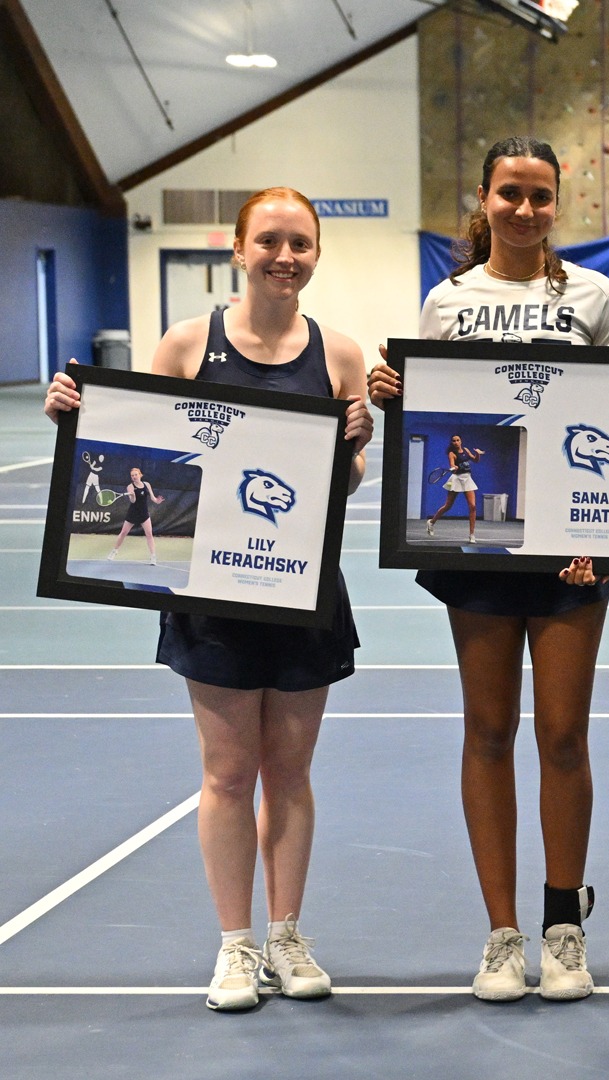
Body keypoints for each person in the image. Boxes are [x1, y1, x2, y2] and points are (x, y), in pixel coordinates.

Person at [44, 187, 373, 1011]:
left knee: (290, 774)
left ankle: (288, 938)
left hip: (303, 590)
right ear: (238, 249)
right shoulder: (187, 344)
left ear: (317, 254)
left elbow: (344, 484)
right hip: (211, 595)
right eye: (270, 241)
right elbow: (137, 454)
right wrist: (77, 422)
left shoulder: (339, 355)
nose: (285, 256)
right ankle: (235, 947)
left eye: (300, 243)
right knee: (229, 774)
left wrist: (361, 448)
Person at [369, 135, 609, 1002]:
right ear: (483, 198)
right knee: (487, 731)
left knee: (561, 734)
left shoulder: (598, 297)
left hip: (573, 549)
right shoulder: (446, 302)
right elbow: (429, 413)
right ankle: (502, 933)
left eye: (540, 195)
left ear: (560, 202)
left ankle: (564, 925)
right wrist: (392, 394)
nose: (525, 209)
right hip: (481, 540)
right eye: (509, 193)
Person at [426, 434, 485, 540]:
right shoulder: (452, 453)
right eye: (454, 441)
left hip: (467, 479)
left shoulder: (466, 450)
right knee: (448, 506)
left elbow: (476, 460)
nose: (456, 442)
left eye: (458, 440)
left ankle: (472, 535)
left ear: (461, 441)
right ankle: (431, 522)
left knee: (473, 506)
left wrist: (477, 453)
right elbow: (452, 465)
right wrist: (454, 467)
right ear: (452, 443)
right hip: (456, 479)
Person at [107, 466, 164, 563]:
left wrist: (157, 501)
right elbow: (133, 501)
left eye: (136, 475)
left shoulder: (147, 484)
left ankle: (153, 556)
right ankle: (114, 551)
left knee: (149, 534)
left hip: (144, 514)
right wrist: (132, 495)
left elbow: (152, 498)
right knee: (123, 533)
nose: (134, 477)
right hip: (133, 513)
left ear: (140, 475)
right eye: (132, 475)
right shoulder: (130, 487)